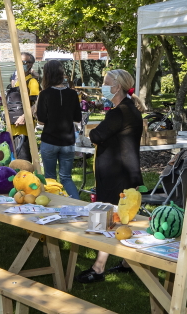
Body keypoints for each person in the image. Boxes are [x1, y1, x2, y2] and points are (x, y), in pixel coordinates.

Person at [75, 68, 144, 284]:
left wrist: (92, 131)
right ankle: (127, 262)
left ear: (117, 87)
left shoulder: (119, 112)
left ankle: (98, 267)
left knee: (108, 219)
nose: (103, 86)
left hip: (116, 174)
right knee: (124, 217)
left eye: (106, 82)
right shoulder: (130, 108)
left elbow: (97, 134)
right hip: (125, 171)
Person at [35, 59, 82, 199]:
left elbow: (41, 121)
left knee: (50, 178)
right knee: (66, 178)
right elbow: (77, 118)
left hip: (49, 140)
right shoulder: (73, 94)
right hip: (67, 142)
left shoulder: (45, 94)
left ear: (47, 75)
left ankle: (54, 205)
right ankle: (77, 204)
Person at [9, 52, 40, 162]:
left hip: (24, 128)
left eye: (23, 62)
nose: (19, 65)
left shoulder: (32, 82)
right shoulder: (18, 82)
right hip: (14, 127)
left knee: (23, 160)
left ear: (30, 64)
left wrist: (23, 117)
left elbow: (36, 104)